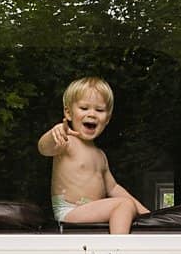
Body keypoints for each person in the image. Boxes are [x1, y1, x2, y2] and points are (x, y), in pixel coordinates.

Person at [38, 76, 150, 234]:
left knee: (124, 203)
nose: (91, 114)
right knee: (123, 205)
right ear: (68, 113)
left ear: (108, 119)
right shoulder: (67, 142)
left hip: (89, 211)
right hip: (70, 211)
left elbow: (114, 188)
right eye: (84, 108)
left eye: (99, 110)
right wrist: (54, 133)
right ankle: (118, 251)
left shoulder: (100, 155)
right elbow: (44, 148)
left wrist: (148, 215)